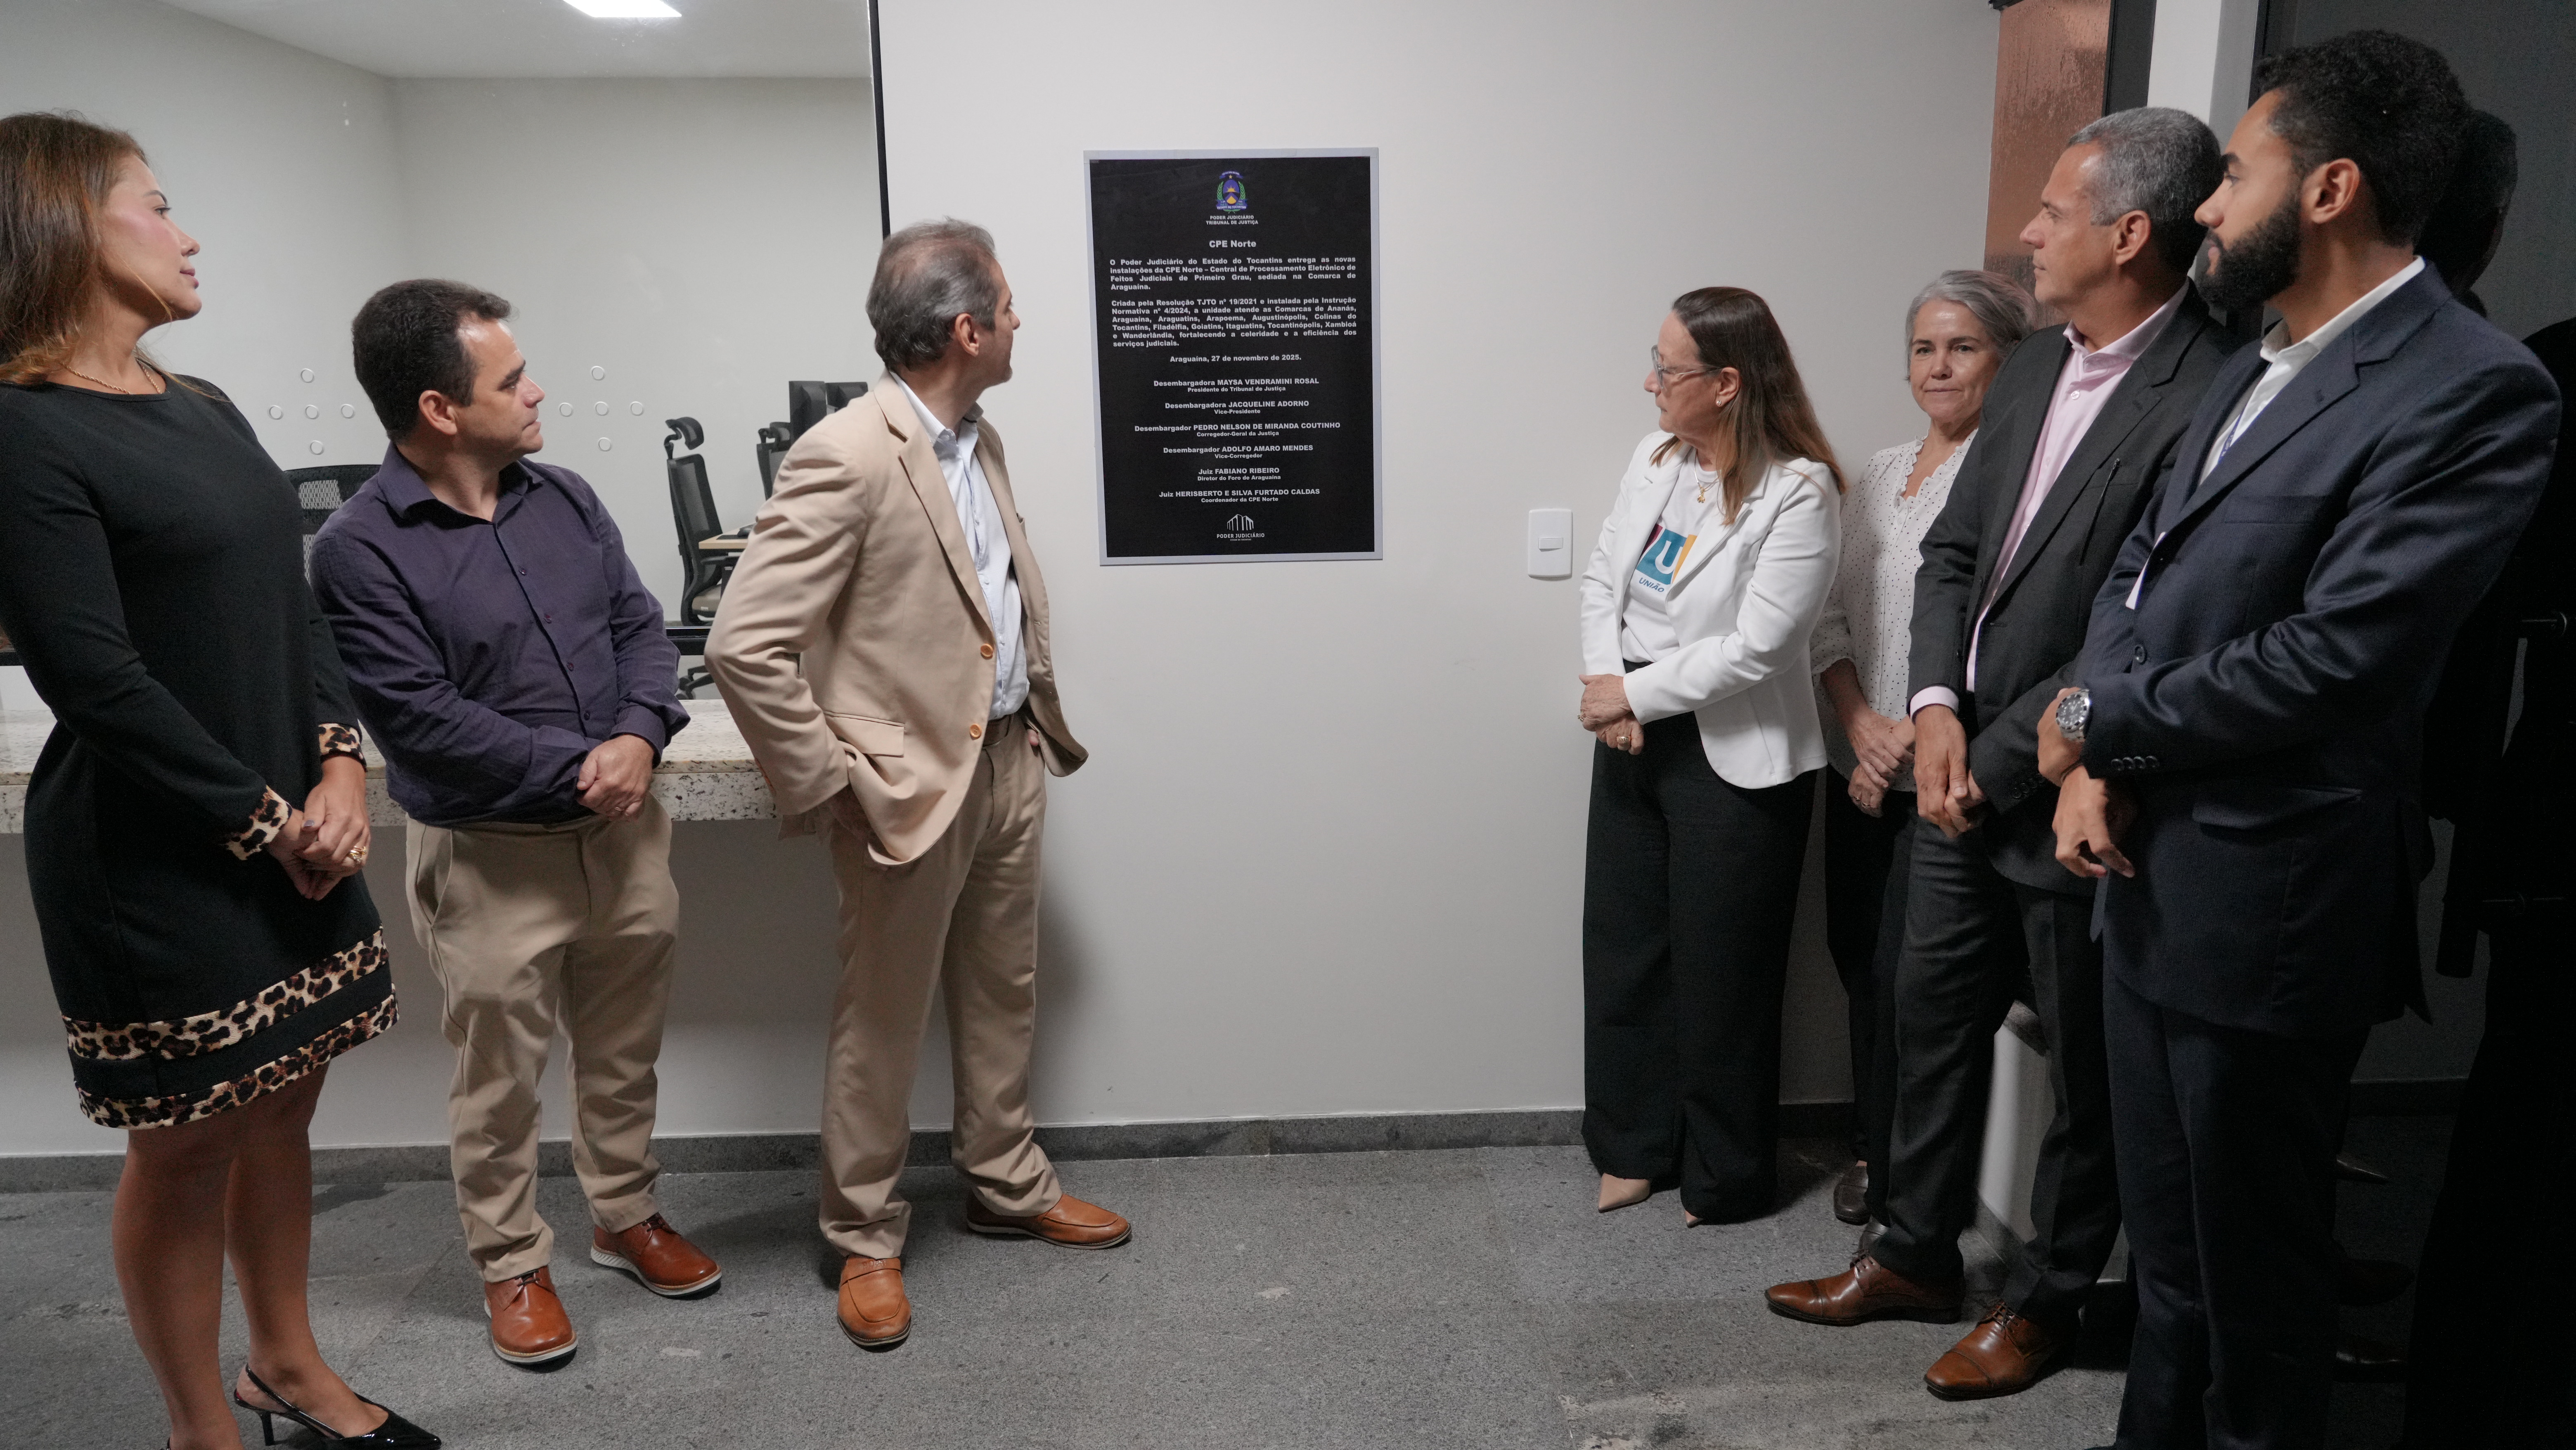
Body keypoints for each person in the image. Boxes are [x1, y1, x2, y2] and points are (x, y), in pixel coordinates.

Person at [2041, 31, 2557, 1448]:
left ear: (2328, 190)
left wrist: (2098, 718)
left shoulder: (2473, 388)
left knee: (2255, 1292)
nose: (2210, 204)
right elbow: (2142, 567)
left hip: (2266, 905)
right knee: (2173, 1277)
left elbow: (2341, 656)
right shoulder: (2251, 361)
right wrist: (2092, 763)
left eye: (2240, 174)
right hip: (2141, 873)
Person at [1766, 106, 2236, 1403]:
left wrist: (1998, 756)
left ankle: (2043, 1302)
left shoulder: (2214, 388)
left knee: (2084, 1079)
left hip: (2073, 791)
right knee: (1925, 1024)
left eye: (2052, 211)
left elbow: (2144, 612)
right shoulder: (2032, 366)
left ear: (2131, 233)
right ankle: (1912, 1252)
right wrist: (1929, 712)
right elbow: (1955, 556)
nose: (2026, 234)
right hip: (1952, 770)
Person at [0, 114, 435, 1450]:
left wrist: (340, 762)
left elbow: (289, 603)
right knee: (184, 1143)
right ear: (63, 225)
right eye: (158, 206)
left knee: (282, 1106)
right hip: (156, 850)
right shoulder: (22, 432)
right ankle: (202, 1427)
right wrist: (266, 824)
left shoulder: (202, 404)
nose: (188, 234)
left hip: (295, 818)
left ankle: (288, 1364)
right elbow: (95, 677)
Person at [708, 219, 1129, 1352]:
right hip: (905, 790)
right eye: (1010, 303)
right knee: (882, 1022)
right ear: (966, 328)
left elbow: (975, 594)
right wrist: (826, 780)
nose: (1022, 321)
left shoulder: (977, 438)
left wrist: (1026, 717)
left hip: (1006, 760)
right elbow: (746, 643)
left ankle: (1006, 1183)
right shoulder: (847, 451)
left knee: (1006, 991)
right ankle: (863, 1239)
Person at [308, 280, 716, 1368]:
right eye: (512, 379)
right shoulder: (358, 548)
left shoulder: (568, 499)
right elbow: (422, 723)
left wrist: (638, 736)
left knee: (625, 1057)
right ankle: (512, 1262)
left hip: (626, 837)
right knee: (498, 1079)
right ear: (441, 409)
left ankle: (625, 1217)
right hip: (491, 860)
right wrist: (589, 765)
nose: (537, 392)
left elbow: (639, 626)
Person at [1576, 287, 1844, 1225]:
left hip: (1738, 754)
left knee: (1724, 971)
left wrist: (1633, 693)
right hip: (1632, 733)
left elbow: (1763, 648)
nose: (1648, 381)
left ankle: (1725, 1175)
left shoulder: (1801, 490)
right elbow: (1606, 578)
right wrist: (1608, 689)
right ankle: (1630, 1146)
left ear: (1727, 384)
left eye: (1668, 367)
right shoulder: (1655, 458)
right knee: (1624, 950)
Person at [1809, 269, 2034, 1229]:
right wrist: (1861, 725)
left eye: (1962, 347)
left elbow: (1991, 636)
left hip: (1942, 774)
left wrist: (1902, 738)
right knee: (1857, 959)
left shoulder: (2012, 476)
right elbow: (1829, 621)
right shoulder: (1880, 470)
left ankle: (1909, 1177)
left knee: (1923, 987)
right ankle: (1871, 1145)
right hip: (1854, 765)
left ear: (2008, 359)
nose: (1938, 367)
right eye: (1923, 348)